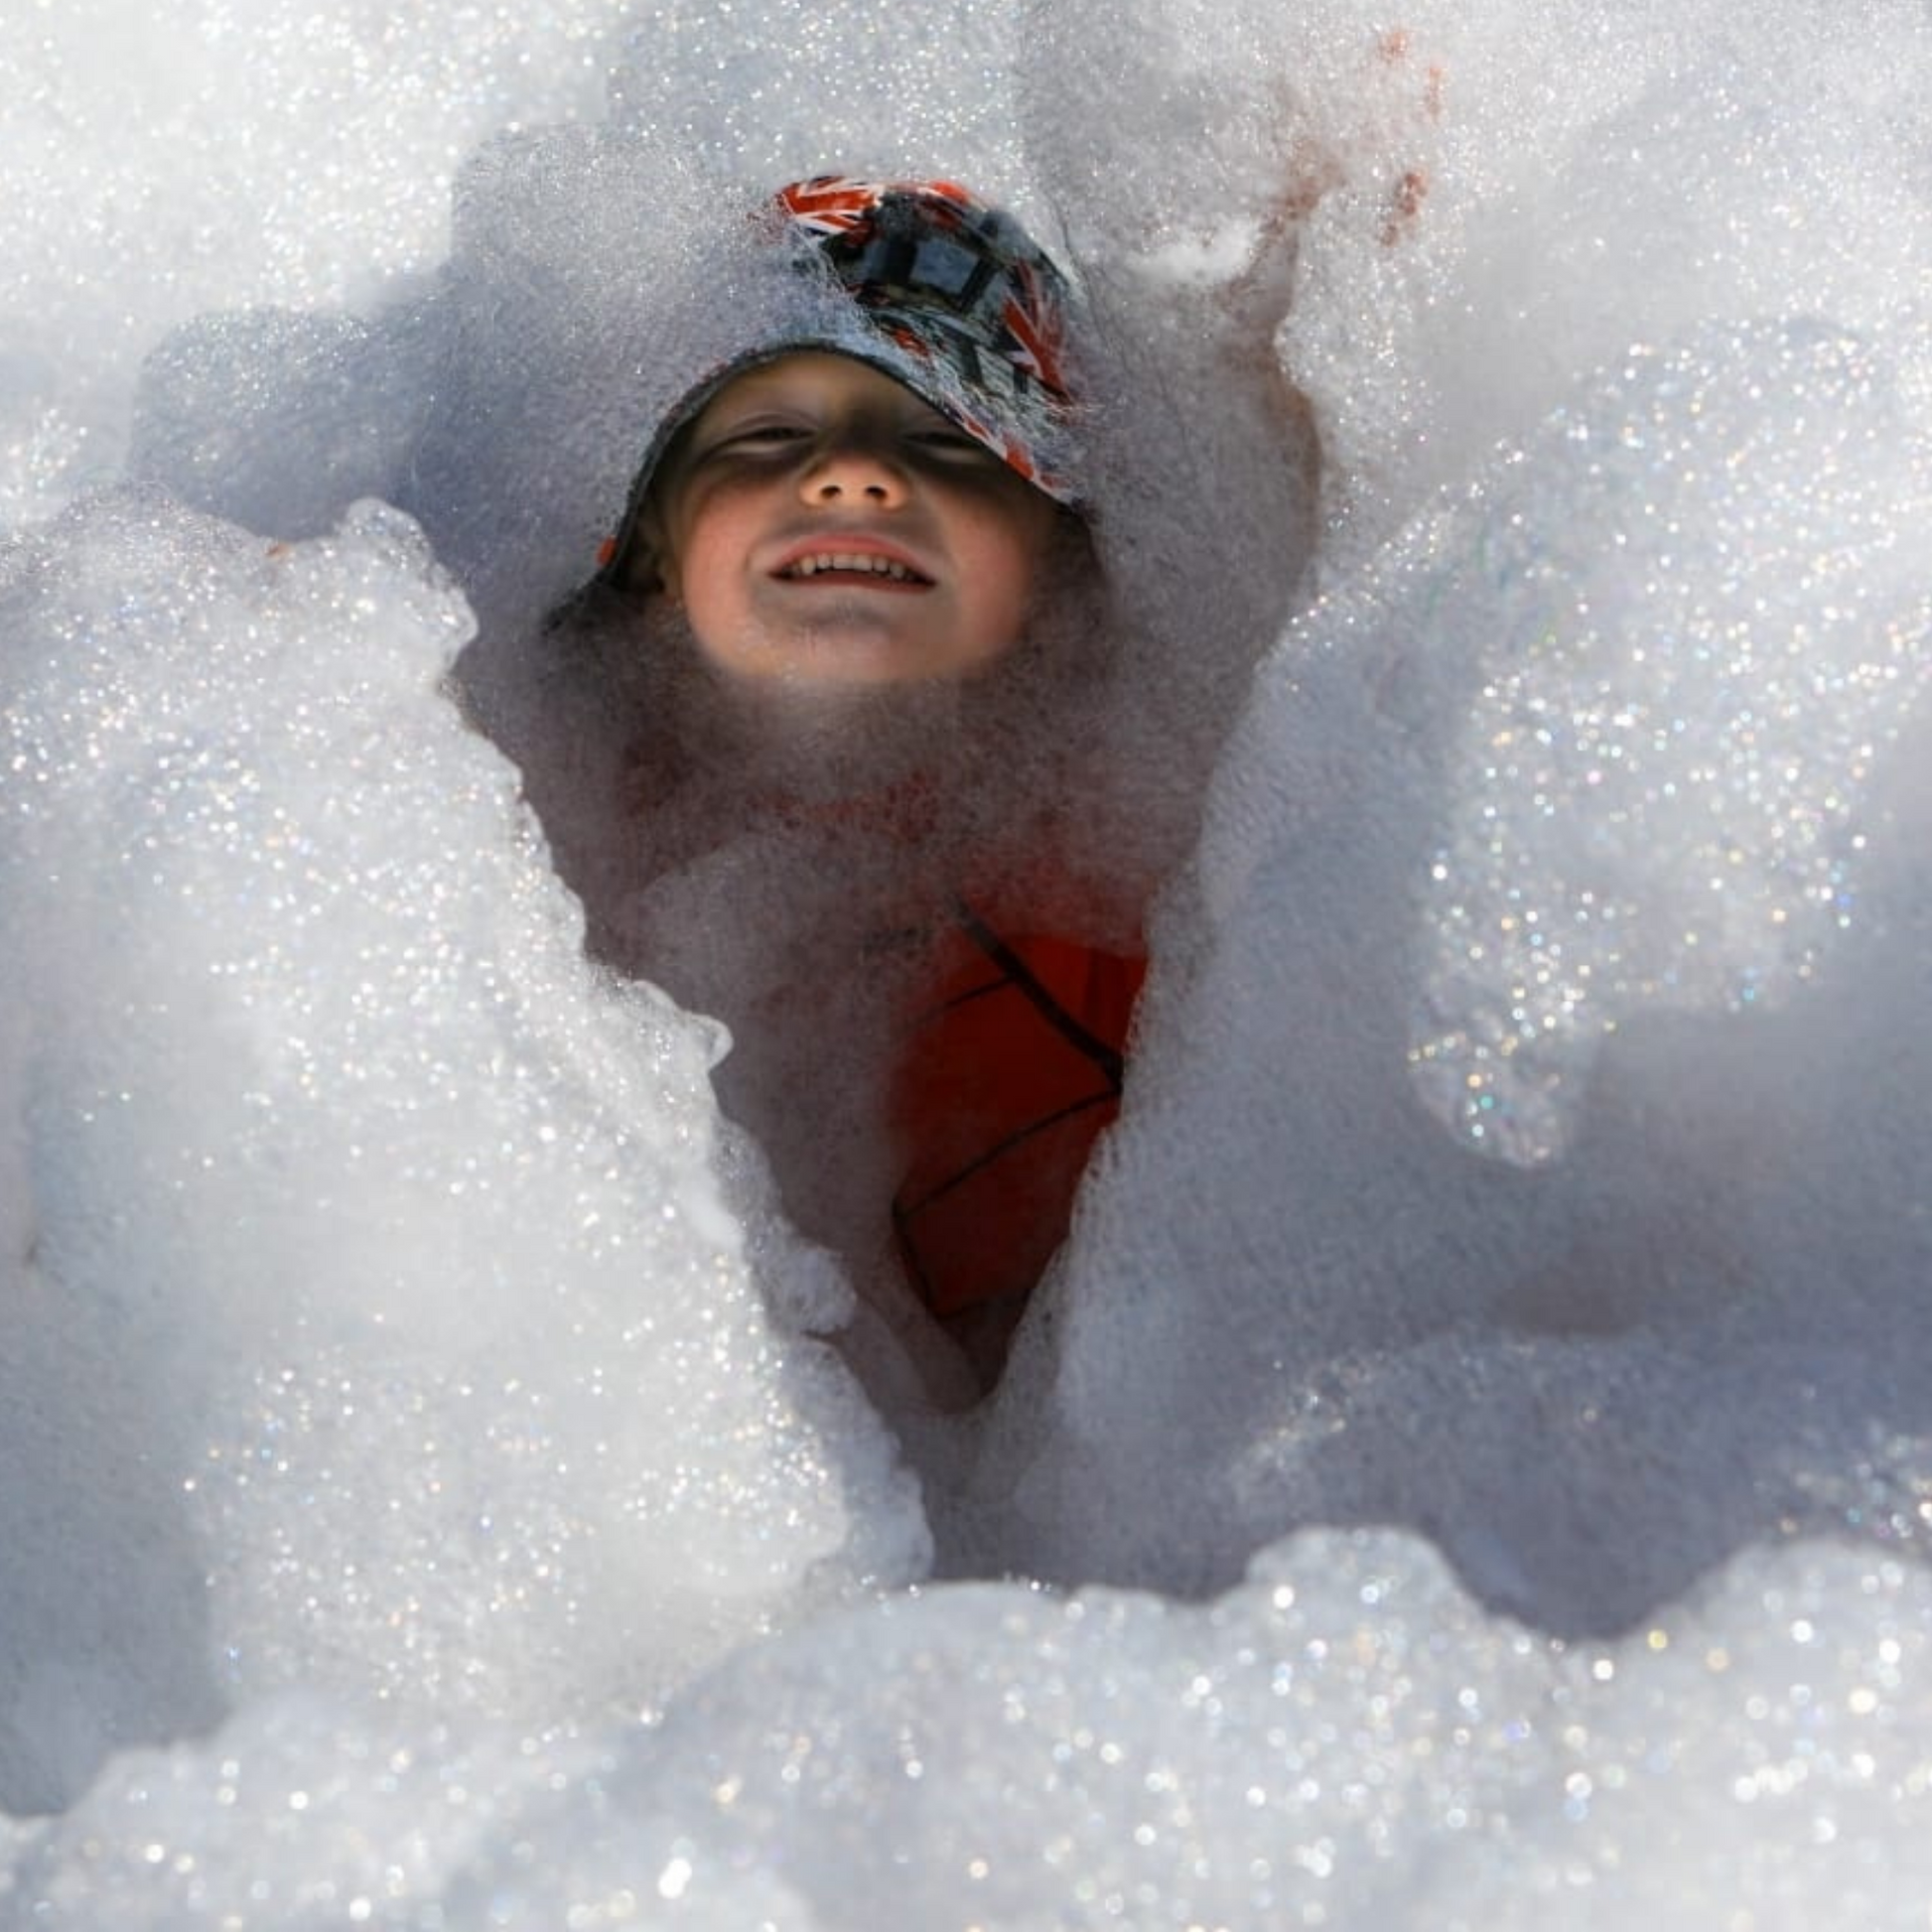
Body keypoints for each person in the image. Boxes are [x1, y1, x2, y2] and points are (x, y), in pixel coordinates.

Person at [543, 175, 1152, 1395]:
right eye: (767, 437)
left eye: (948, 442)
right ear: (652, 552)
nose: (853, 478)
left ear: (1049, 567)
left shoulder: (1119, 859)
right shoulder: (534, 815)